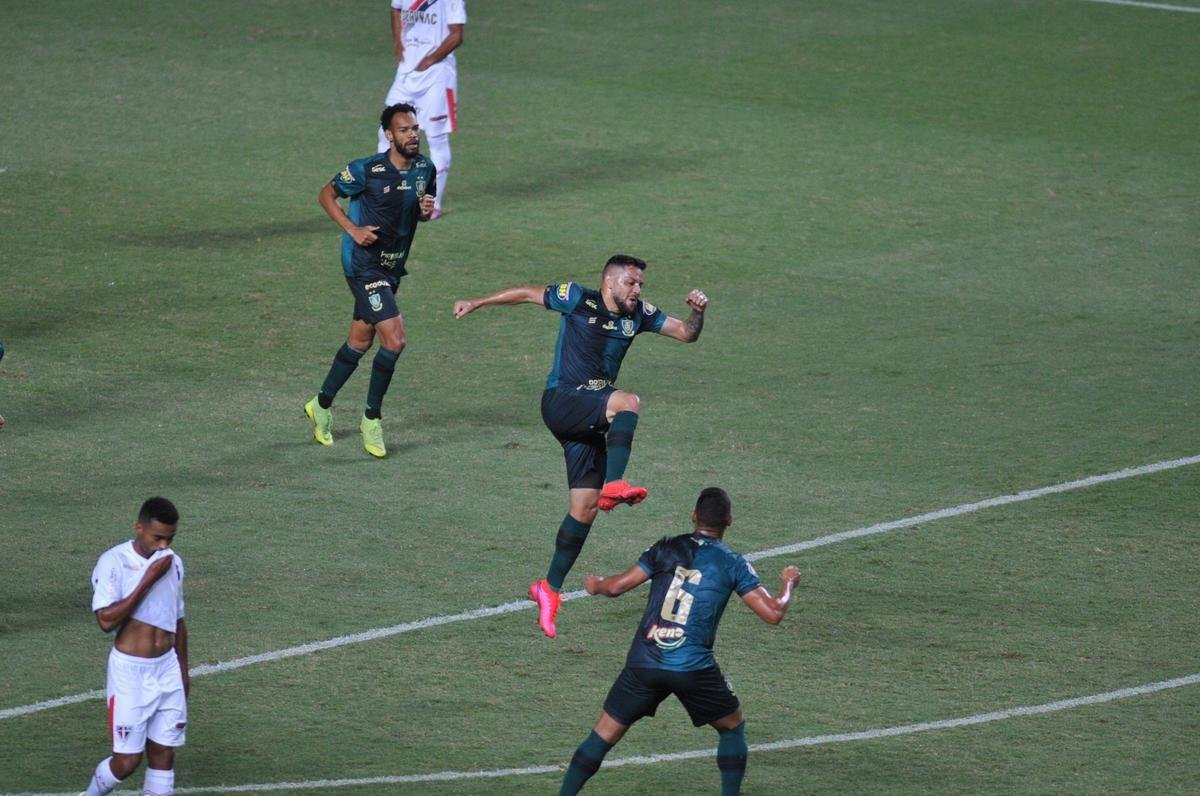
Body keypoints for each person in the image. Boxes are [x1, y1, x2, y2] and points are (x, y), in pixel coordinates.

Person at [452, 255, 708, 637]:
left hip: (587, 419)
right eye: (631, 283)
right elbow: (525, 293)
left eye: (640, 285)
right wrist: (477, 302)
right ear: (609, 282)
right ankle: (615, 483)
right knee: (628, 402)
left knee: (584, 509)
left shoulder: (639, 315)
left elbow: (687, 333)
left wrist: (697, 312)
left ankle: (549, 588)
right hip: (563, 400)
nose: (637, 290)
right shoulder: (576, 298)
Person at [559, 487, 801, 795]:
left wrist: (595, 585)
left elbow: (618, 586)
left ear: (694, 516)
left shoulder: (666, 547)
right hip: (692, 667)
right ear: (729, 521)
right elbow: (773, 613)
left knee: (603, 734)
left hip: (644, 661)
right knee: (732, 726)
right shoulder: (732, 562)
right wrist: (788, 584)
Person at [305, 103, 436, 458]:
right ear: (389, 136)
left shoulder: (426, 168)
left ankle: (321, 404)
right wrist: (353, 228)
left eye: (415, 128)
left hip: (392, 267)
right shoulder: (367, 170)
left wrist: (424, 213)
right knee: (394, 340)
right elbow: (325, 195)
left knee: (360, 341)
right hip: (363, 265)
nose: (413, 135)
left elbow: (420, 211)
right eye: (405, 130)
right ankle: (371, 419)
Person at [82, 497, 189, 796]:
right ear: (139, 528)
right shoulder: (113, 562)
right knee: (128, 761)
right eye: (157, 537)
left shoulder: (174, 563)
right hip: (131, 673)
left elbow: (178, 622)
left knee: (163, 754)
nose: (164, 546)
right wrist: (148, 579)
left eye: (170, 538)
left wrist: (183, 672)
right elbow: (106, 621)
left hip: (167, 668)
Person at [378, 0, 467, 220]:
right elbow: (396, 9)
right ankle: (387, 193)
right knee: (386, 132)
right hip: (406, 74)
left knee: (436, 138)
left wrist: (429, 60)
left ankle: (432, 203)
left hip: (437, 76)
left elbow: (457, 35)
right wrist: (398, 41)